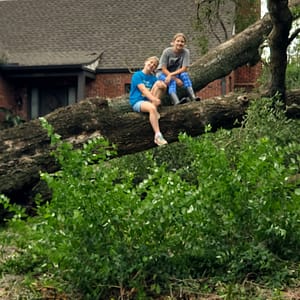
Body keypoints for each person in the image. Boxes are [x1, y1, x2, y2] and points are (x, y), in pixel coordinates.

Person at [129, 56, 168, 146]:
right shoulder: (137, 75)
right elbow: (143, 90)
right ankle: (158, 135)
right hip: (138, 102)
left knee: (160, 84)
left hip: (149, 101)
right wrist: (154, 99)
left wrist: (164, 86)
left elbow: (160, 88)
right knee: (152, 108)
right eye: (150, 62)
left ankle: (154, 109)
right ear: (146, 62)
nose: (151, 65)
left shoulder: (153, 78)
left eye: (154, 65)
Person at [157, 32, 200, 105]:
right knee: (172, 82)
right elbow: (163, 69)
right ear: (173, 42)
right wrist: (175, 78)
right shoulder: (167, 52)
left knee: (184, 75)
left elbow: (184, 69)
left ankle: (193, 97)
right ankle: (176, 101)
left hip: (174, 73)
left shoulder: (186, 52)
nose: (180, 43)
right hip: (163, 73)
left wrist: (171, 75)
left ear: (184, 44)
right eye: (178, 41)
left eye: (182, 42)